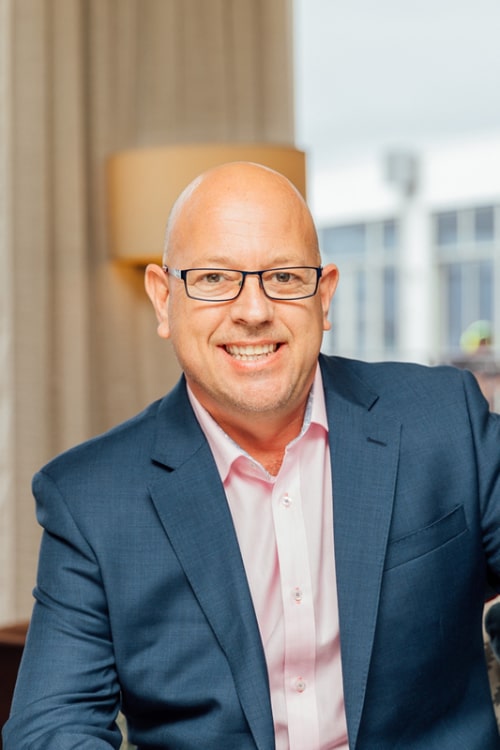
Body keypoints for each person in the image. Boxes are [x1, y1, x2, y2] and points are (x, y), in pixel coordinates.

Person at [3, 161, 500, 750]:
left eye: (284, 277)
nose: (254, 311)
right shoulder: (91, 499)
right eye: (214, 278)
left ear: (324, 296)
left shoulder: (443, 421)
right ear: (164, 299)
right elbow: (51, 728)